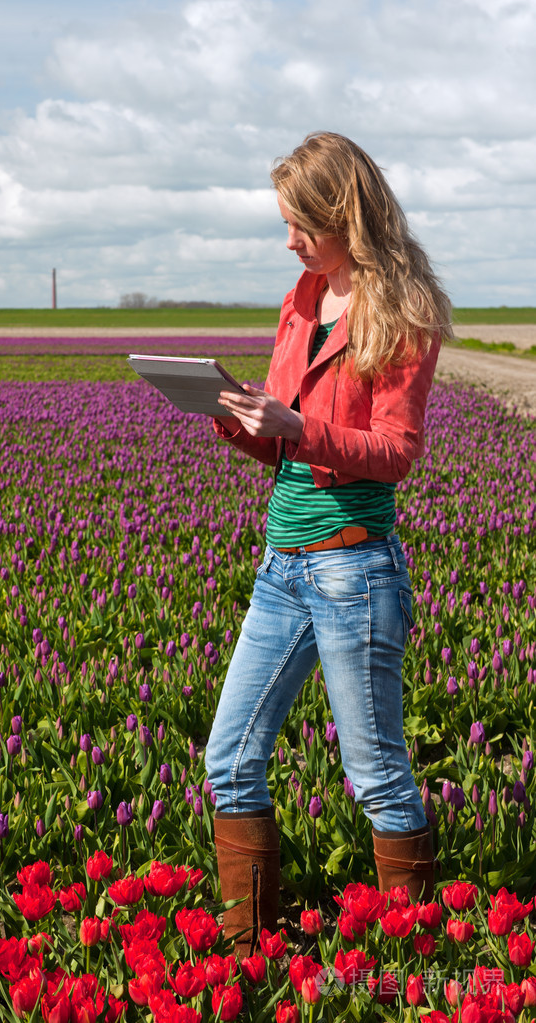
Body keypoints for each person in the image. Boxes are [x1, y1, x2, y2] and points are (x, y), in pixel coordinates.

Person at [205, 131, 453, 956]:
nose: (290, 241)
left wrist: (299, 427)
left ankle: (415, 958)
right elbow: (284, 441)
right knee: (229, 759)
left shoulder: (403, 311)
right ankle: (249, 955)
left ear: (344, 214)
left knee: (376, 776)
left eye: (301, 224)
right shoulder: (302, 300)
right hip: (281, 566)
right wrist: (232, 414)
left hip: (354, 568)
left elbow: (396, 451)